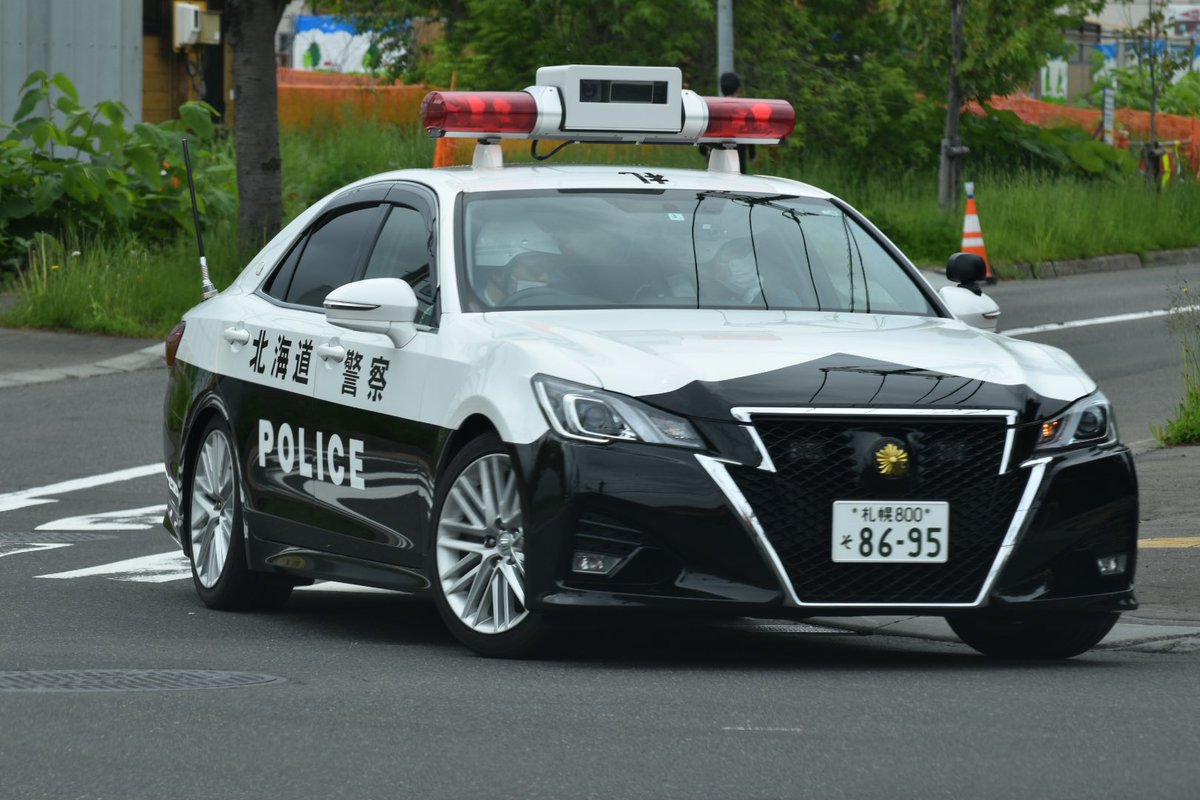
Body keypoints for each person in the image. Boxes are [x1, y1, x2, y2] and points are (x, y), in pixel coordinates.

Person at [718, 71, 756, 174]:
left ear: (721, 89)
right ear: (739, 89)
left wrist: (704, 151)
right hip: (739, 155)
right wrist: (752, 155)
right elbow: (749, 133)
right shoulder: (745, 109)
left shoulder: (716, 108)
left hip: (717, 153)